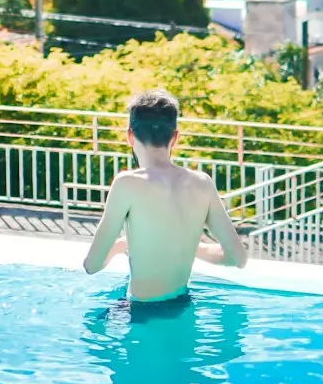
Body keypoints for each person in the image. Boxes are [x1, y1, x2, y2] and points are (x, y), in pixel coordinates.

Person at [82, 89, 248, 302]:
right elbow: (238, 258)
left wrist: (120, 246)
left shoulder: (127, 184)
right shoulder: (202, 183)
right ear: (175, 137)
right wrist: (191, 247)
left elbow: (92, 265)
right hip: (183, 306)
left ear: (130, 136)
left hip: (142, 316)